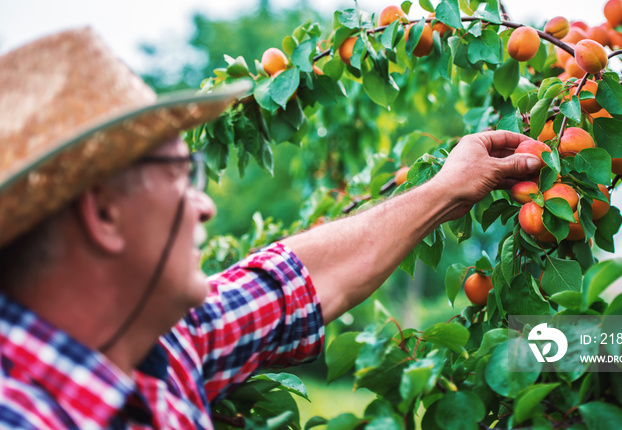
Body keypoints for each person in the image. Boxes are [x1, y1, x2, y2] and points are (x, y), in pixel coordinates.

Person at [0, 27, 541, 429]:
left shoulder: (157, 348)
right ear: (103, 214)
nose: (203, 207)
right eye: (179, 174)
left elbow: (293, 283)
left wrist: (445, 189)